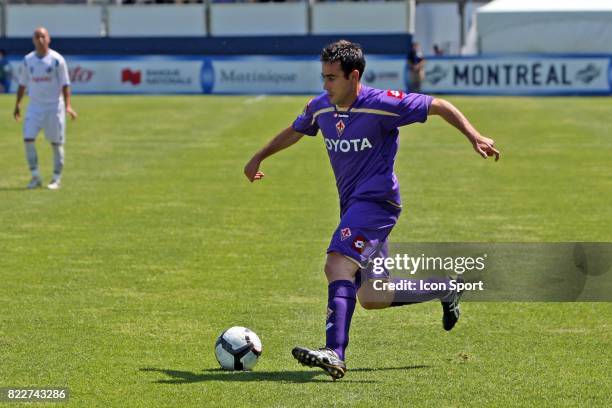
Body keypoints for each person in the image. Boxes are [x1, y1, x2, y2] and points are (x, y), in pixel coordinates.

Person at [244, 40, 499, 380]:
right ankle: (446, 287)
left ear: (354, 76)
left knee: (336, 263)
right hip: (352, 207)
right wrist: (259, 156)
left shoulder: (382, 104)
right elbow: (296, 130)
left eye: (332, 78)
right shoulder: (321, 107)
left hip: (377, 203)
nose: (325, 85)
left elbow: (438, 105)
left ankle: (334, 352)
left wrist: (474, 136)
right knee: (374, 296)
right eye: (323, 76)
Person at [13, 27, 77, 190]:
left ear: (49, 39)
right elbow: (22, 84)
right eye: (37, 36)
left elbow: (65, 84)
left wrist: (68, 105)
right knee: (28, 139)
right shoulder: (28, 60)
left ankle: (56, 178)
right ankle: (35, 176)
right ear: (33, 40)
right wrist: (18, 105)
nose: (40, 39)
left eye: (43, 36)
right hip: (34, 107)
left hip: (54, 107)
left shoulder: (57, 60)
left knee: (56, 143)